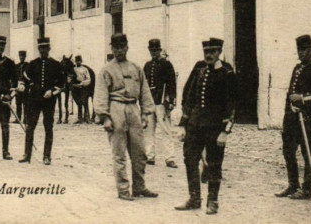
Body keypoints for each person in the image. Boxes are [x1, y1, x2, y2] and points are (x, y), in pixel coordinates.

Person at [176, 38, 236, 215]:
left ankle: (213, 201)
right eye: (206, 52)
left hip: (215, 127)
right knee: (189, 159)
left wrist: (225, 131)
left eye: (213, 52)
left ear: (219, 52)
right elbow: (188, 96)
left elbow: (232, 103)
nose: (208, 55)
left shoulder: (227, 72)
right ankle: (194, 198)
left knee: (214, 163)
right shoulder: (198, 67)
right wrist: (183, 125)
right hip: (195, 125)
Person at [93, 34, 156, 201]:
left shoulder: (136, 68)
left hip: (133, 109)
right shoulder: (106, 70)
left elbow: (144, 92)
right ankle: (123, 190)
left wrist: (145, 113)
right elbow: (100, 94)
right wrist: (105, 117)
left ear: (127, 47)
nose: (119, 51)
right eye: (115, 48)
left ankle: (139, 187)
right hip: (116, 110)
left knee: (140, 152)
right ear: (112, 49)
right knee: (119, 153)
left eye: (122, 47)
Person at [276, 34, 311, 200]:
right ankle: (293, 185)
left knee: (307, 151)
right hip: (292, 117)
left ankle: (306, 189)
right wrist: (287, 113)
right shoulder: (297, 69)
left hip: (309, 116)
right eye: (299, 50)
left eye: (304, 50)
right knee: (288, 150)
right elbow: (290, 94)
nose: (301, 53)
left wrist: (303, 98)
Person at [19, 37, 65, 165]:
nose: (43, 50)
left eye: (46, 48)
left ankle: (47, 156)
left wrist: (52, 91)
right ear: (38, 49)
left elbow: (61, 84)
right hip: (34, 100)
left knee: (48, 127)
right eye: (41, 48)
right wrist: (26, 86)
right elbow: (24, 79)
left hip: (49, 101)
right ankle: (27, 155)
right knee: (30, 127)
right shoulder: (32, 64)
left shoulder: (56, 65)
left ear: (49, 49)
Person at [143, 38, 178, 168]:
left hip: (162, 101)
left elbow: (172, 84)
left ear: (160, 50)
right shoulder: (147, 65)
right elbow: (143, 85)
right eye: (151, 50)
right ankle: (150, 156)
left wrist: (171, 100)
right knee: (149, 130)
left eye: (156, 50)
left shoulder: (166, 64)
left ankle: (169, 158)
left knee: (166, 130)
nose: (154, 53)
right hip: (150, 102)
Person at [72, 55, 92, 124]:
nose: (78, 62)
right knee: (78, 102)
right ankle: (79, 118)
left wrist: (82, 83)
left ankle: (87, 118)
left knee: (84, 101)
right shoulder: (73, 69)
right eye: (76, 61)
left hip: (83, 88)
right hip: (75, 88)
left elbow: (88, 79)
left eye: (79, 61)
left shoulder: (84, 69)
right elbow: (70, 77)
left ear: (81, 61)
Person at [14, 51, 28, 124]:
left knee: (25, 103)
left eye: (23, 56)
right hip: (18, 86)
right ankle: (18, 118)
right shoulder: (16, 66)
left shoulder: (27, 65)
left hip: (25, 86)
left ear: (25, 56)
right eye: (20, 56)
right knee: (18, 103)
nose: (21, 57)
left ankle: (25, 119)